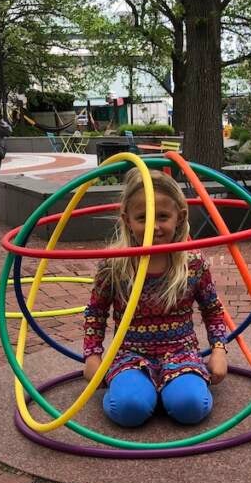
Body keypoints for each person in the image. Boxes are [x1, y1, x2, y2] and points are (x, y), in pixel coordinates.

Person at [82, 169, 229, 427]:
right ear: (127, 220)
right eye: (143, 218)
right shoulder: (115, 264)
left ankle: (171, 392)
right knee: (128, 409)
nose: (154, 227)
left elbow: (213, 309)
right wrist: (92, 356)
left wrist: (219, 350)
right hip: (131, 355)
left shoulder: (192, 263)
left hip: (181, 354)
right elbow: (96, 312)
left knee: (191, 407)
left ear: (180, 217)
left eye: (163, 217)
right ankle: (140, 393)